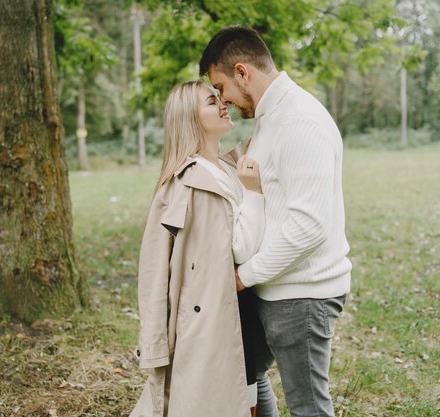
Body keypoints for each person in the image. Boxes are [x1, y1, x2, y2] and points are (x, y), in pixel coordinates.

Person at [199, 26, 352, 417]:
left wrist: (244, 275)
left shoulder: (298, 121)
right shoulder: (271, 118)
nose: (224, 101)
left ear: (242, 72)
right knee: (244, 370)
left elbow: (310, 226)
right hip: (272, 285)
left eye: (222, 87)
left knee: (308, 406)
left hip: (302, 293)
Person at [129, 80, 266, 417]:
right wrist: (254, 193)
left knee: (249, 394)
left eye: (220, 98)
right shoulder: (186, 184)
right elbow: (154, 271)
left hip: (242, 308)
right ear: (190, 118)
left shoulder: (226, 168)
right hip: (210, 324)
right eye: (211, 101)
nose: (224, 104)